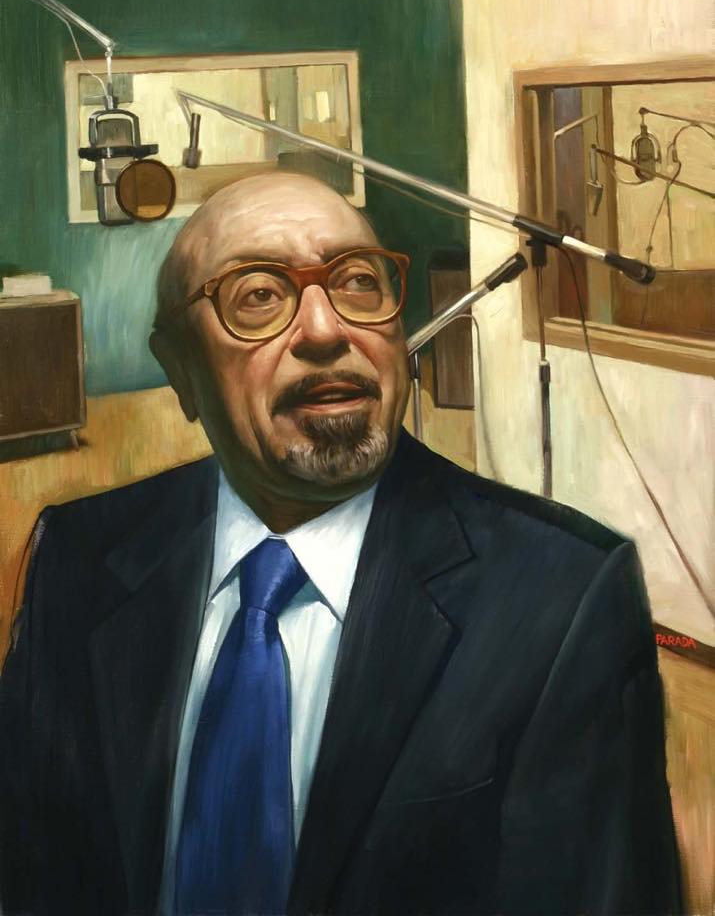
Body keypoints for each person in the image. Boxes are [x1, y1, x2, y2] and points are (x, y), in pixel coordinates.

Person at [0, 172, 681, 916]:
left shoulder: (563, 595)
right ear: (181, 370)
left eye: (358, 282)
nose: (326, 331)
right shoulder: (78, 556)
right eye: (259, 295)